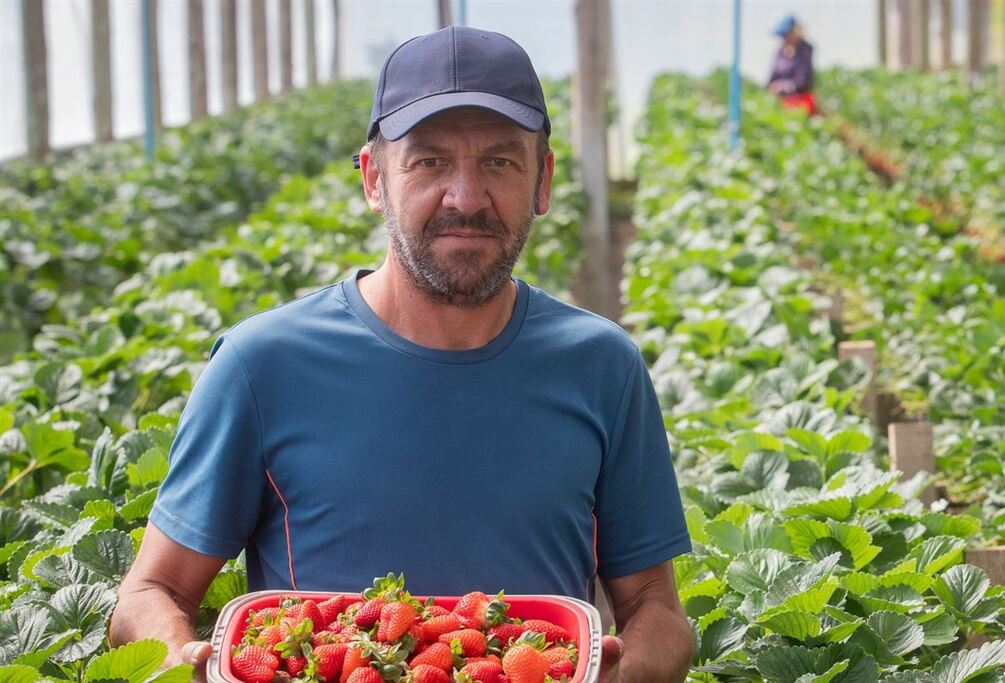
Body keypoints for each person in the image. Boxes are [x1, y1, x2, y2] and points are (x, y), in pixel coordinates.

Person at [109, 26, 693, 682]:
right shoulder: (260, 367)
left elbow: (655, 606)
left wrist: (627, 672)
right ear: (373, 179)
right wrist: (181, 657)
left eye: (500, 162)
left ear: (544, 180)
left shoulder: (604, 367)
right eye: (429, 162)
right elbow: (151, 590)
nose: (465, 197)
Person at [767, 14, 817, 115]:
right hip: (781, 102)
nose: (783, 39)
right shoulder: (780, 53)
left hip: (801, 103)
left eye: (785, 35)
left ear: (794, 31)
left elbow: (803, 81)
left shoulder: (805, 50)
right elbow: (771, 79)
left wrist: (781, 86)